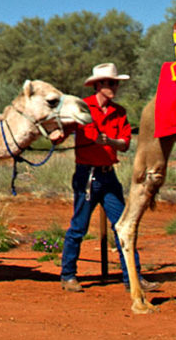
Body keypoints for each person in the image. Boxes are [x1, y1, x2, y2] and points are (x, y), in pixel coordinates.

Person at [50, 63, 158, 292]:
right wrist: (57, 135)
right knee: (78, 227)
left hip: (109, 177)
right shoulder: (82, 107)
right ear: (98, 85)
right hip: (86, 176)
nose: (115, 87)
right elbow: (62, 131)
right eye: (110, 83)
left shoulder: (119, 112)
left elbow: (126, 144)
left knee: (124, 226)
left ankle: (133, 279)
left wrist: (109, 142)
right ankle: (68, 275)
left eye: (115, 83)